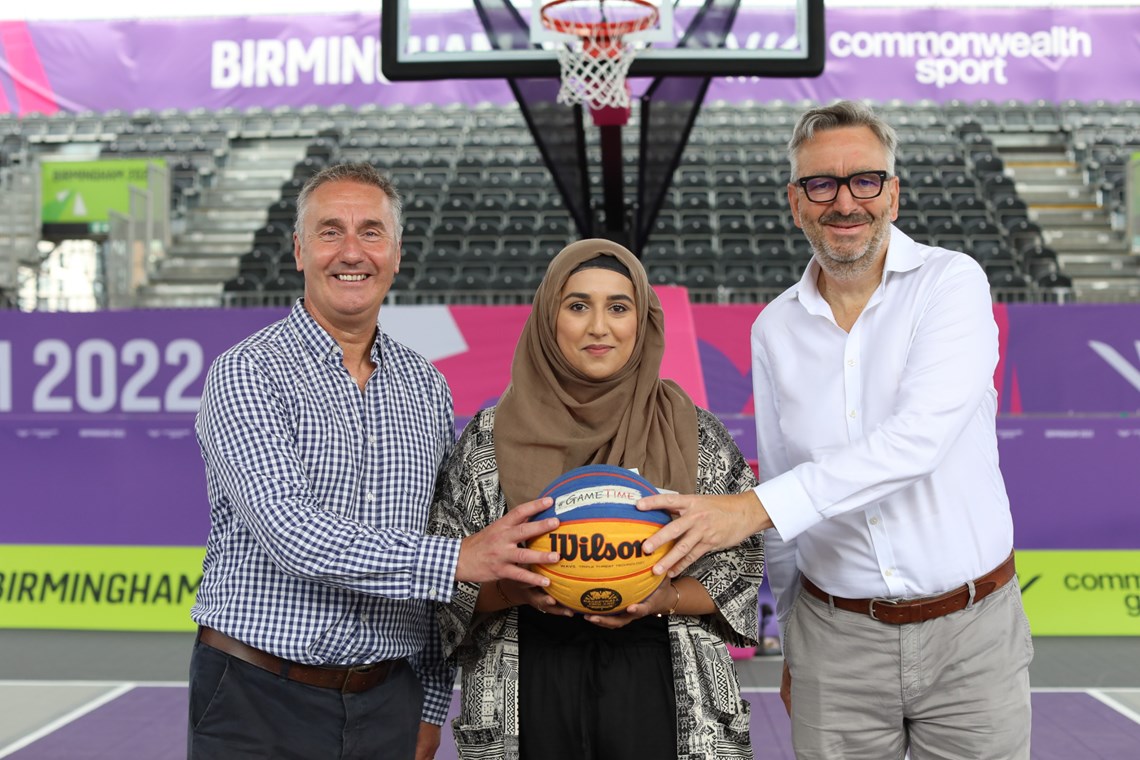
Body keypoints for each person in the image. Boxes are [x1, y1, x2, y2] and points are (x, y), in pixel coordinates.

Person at [638, 100, 1032, 759]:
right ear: (796, 204)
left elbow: (917, 441)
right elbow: (790, 486)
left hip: (971, 633)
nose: (844, 202)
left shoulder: (952, 283)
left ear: (893, 194)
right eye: (821, 184)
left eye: (864, 181)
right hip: (835, 640)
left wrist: (751, 508)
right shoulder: (774, 330)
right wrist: (794, 639)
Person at [187, 162, 561, 760]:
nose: (351, 251)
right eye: (330, 231)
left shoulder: (427, 386)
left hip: (390, 701)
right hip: (257, 696)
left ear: (396, 252)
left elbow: (438, 545)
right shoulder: (246, 372)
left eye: (371, 231)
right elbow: (292, 534)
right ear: (299, 250)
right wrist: (460, 558)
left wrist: (431, 702)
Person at [427, 239, 764, 759]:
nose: (599, 326)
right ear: (547, 319)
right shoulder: (487, 439)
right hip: (525, 685)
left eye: (619, 307)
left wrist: (665, 598)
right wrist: (517, 591)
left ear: (642, 321)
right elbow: (447, 579)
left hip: (666, 683)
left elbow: (742, 565)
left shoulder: (692, 431)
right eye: (578, 305)